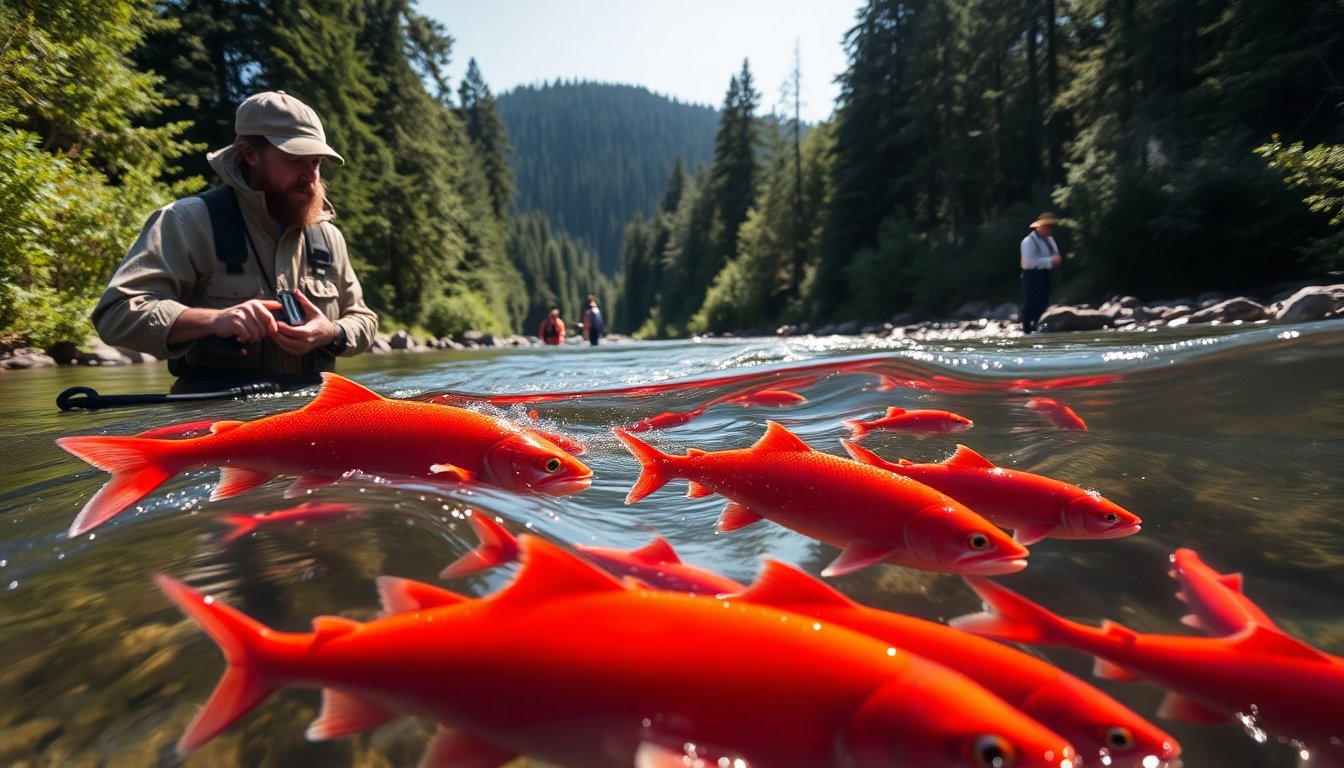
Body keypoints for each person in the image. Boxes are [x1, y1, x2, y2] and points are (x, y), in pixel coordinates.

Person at [92, 91, 378, 391]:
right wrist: (214, 320)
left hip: (312, 412)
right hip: (217, 416)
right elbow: (116, 314)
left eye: (316, 162)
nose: (310, 176)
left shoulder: (328, 237)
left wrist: (332, 332)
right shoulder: (186, 221)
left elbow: (363, 319)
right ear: (250, 154)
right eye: (294, 160)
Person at [1019, 211, 1063, 334]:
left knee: (1044, 300)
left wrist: (1055, 259)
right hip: (1031, 275)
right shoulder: (1028, 241)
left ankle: (1038, 325)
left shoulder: (1050, 240)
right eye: (1049, 226)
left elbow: (1055, 254)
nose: (1051, 229)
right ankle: (1026, 329)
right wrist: (1050, 260)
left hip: (1045, 274)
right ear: (1041, 226)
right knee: (1031, 301)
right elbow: (1028, 262)